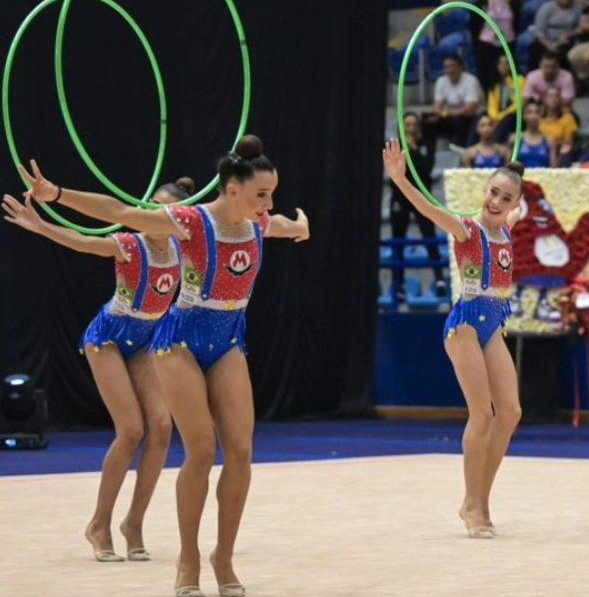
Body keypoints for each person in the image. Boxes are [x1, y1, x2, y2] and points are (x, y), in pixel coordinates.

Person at [16, 135, 310, 597]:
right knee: (199, 450)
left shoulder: (259, 224)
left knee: (241, 452)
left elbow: (290, 227)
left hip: (228, 339)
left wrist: (298, 226)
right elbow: (118, 212)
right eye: (261, 195)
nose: (268, 204)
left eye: (271, 195)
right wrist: (57, 196)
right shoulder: (192, 222)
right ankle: (188, 559)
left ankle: (223, 558)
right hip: (179, 341)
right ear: (232, 190)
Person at [2, 179, 192, 563]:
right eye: (148, 206)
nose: (149, 214)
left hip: (145, 339)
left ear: (176, 219)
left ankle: (133, 523)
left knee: (162, 428)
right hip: (106, 337)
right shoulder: (130, 245)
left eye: (160, 210)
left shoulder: (183, 249)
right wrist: (39, 225)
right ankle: (99, 524)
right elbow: (82, 241)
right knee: (131, 430)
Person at [383, 138, 523, 539]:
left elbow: (523, 201)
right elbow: (429, 209)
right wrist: (400, 180)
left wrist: (519, 179)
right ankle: (472, 504)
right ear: (484, 192)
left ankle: (479, 500)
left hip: (493, 323)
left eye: (506, 197)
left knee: (510, 412)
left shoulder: (508, 228)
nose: (496, 201)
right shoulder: (468, 229)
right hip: (464, 326)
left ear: (514, 204)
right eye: (493, 192)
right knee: (483, 414)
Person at [393, 113, 446, 298]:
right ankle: (398, 284)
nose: (411, 128)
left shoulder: (425, 145)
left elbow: (426, 169)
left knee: (429, 234)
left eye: (414, 124)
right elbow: (397, 171)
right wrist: (407, 149)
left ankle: (439, 279)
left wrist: (413, 149)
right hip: (400, 198)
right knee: (398, 239)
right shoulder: (396, 147)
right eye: (407, 124)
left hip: (422, 197)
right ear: (402, 127)